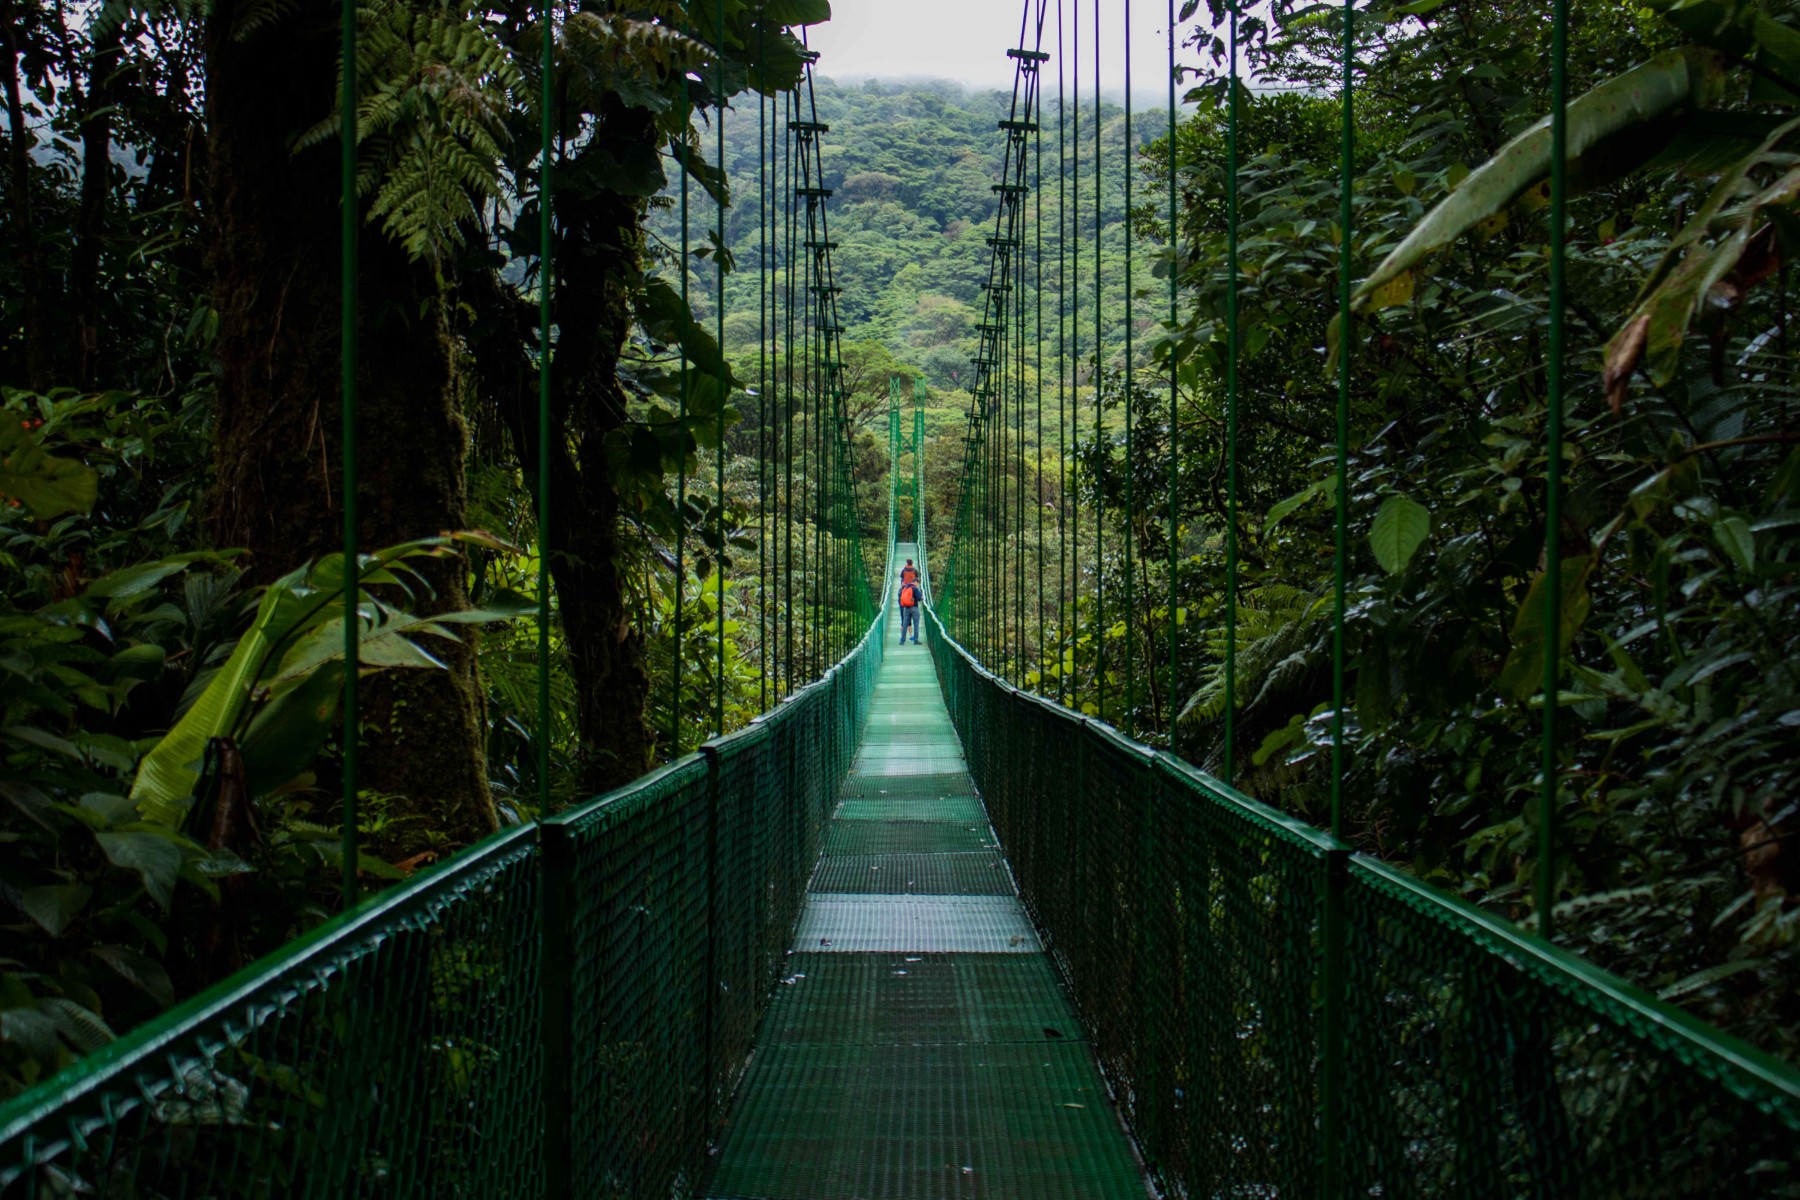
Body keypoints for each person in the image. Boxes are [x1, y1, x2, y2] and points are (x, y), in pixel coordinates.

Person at [897, 571, 922, 645]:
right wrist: (921, 597)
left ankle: (902, 640)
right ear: (916, 582)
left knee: (905, 624)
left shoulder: (905, 588)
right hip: (914, 608)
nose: (918, 585)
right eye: (918, 583)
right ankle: (916, 640)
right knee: (916, 624)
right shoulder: (915, 589)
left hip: (906, 608)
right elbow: (919, 598)